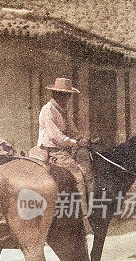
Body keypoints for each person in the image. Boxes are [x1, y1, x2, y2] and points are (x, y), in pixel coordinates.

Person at [33, 77, 92, 217]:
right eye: (65, 95)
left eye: (68, 95)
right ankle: (83, 214)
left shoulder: (63, 111)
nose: (67, 98)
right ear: (57, 94)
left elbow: (72, 130)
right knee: (78, 174)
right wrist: (76, 143)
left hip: (62, 149)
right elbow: (56, 136)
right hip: (51, 150)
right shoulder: (48, 110)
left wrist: (82, 139)